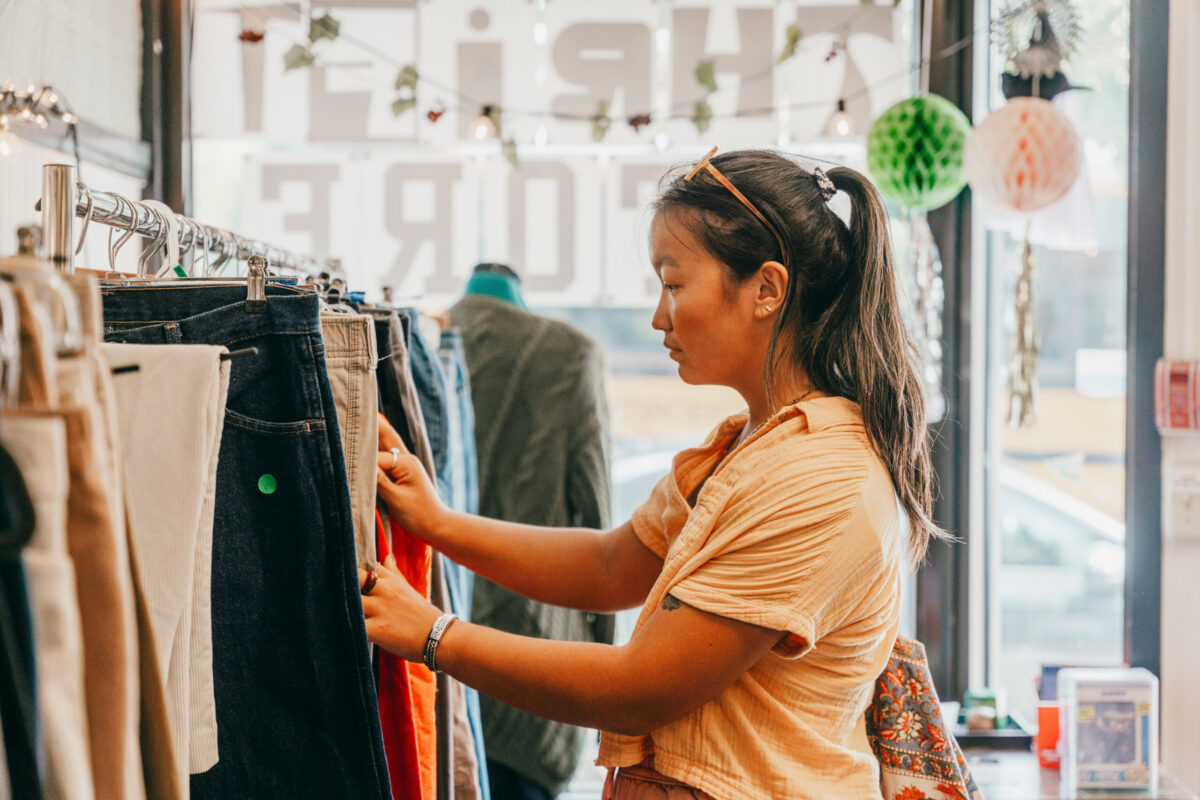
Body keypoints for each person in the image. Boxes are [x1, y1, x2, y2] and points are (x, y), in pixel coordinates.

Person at [361, 148, 947, 800]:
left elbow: (640, 689)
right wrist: (437, 523)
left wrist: (435, 635)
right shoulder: (743, 447)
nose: (659, 317)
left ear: (767, 289)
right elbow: (611, 565)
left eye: (672, 284)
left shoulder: (821, 479)